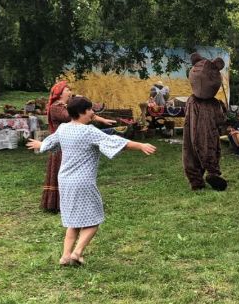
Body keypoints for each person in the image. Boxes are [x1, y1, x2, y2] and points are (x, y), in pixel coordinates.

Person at [27, 96, 156, 266]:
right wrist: (139, 145)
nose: (92, 113)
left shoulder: (64, 128)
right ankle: (77, 253)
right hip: (82, 182)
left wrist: (40, 145)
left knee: (73, 220)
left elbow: (50, 142)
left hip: (64, 180)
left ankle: (65, 256)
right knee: (93, 220)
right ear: (82, 112)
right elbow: (114, 142)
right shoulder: (89, 132)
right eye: (90, 110)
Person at [41, 82, 116, 213]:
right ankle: (57, 204)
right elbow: (72, 116)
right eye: (67, 90)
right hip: (61, 143)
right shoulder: (55, 107)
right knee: (64, 174)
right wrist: (78, 106)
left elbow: (81, 113)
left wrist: (102, 120)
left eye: (70, 89)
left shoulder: (66, 106)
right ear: (60, 93)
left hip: (73, 142)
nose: (69, 92)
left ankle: (71, 202)